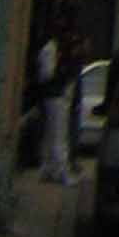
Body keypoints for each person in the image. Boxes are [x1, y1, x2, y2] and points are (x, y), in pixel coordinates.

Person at [34, 34, 75, 186]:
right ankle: (61, 171)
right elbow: (47, 75)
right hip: (55, 96)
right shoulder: (50, 50)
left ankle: (48, 169)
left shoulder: (50, 50)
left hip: (53, 95)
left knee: (51, 134)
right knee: (58, 135)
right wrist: (61, 73)